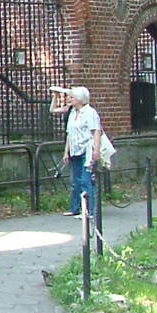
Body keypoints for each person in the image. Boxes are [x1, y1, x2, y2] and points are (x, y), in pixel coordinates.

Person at [50, 85, 103, 218]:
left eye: (72, 97)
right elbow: (69, 134)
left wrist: (96, 150)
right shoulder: (72, 112)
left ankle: (89, 211)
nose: (69, 99)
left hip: (87, 149)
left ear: (80, 99)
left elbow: (96, 131)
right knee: (76, 181)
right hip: (75, 149)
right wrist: (66, 152)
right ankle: (75, 208)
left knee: (85, 180)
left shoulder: (90, 112)